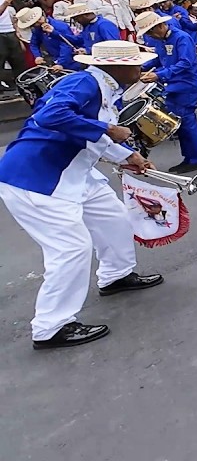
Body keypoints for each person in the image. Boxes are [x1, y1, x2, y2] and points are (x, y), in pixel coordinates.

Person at [0, 40, 166, 349]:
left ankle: (115, 276)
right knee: (71, 248)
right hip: (37, 178)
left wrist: (127, 156)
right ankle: (51, 327)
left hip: (72, 172)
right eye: (136, 63)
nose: (141, 68)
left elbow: (82, 131)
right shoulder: (84, 82)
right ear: (116, 67)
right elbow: (50, 116)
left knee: (114, 218)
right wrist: (106, 128)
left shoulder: (103, 86)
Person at [133, 11, 197, 173]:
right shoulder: (162, 40)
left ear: (160, 26)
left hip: (186, 84)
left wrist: (159, 75)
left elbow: (186, 63)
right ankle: (191, 157)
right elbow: (159, 59)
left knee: (186, 122)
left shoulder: (181, 37)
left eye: (150, 32)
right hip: (173, 84)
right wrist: (141, 67)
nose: (150, 36)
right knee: (181, 123)